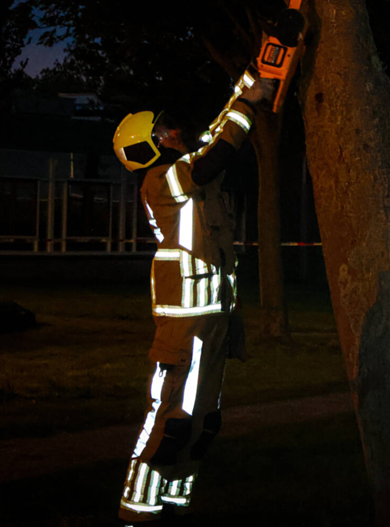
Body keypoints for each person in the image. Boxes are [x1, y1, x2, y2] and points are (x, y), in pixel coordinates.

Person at [111, 73, 274, 525]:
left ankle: (176, 504)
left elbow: (212, 139)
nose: (174, 132)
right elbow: (214, 156)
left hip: (214, 318)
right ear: (148, 147)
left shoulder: (182, 171)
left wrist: (248, 87)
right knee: (170, 419)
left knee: (202, 422)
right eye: (163, 131)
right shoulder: (162, 181)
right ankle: (137, 510)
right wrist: (247, 106)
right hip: (186, 323)